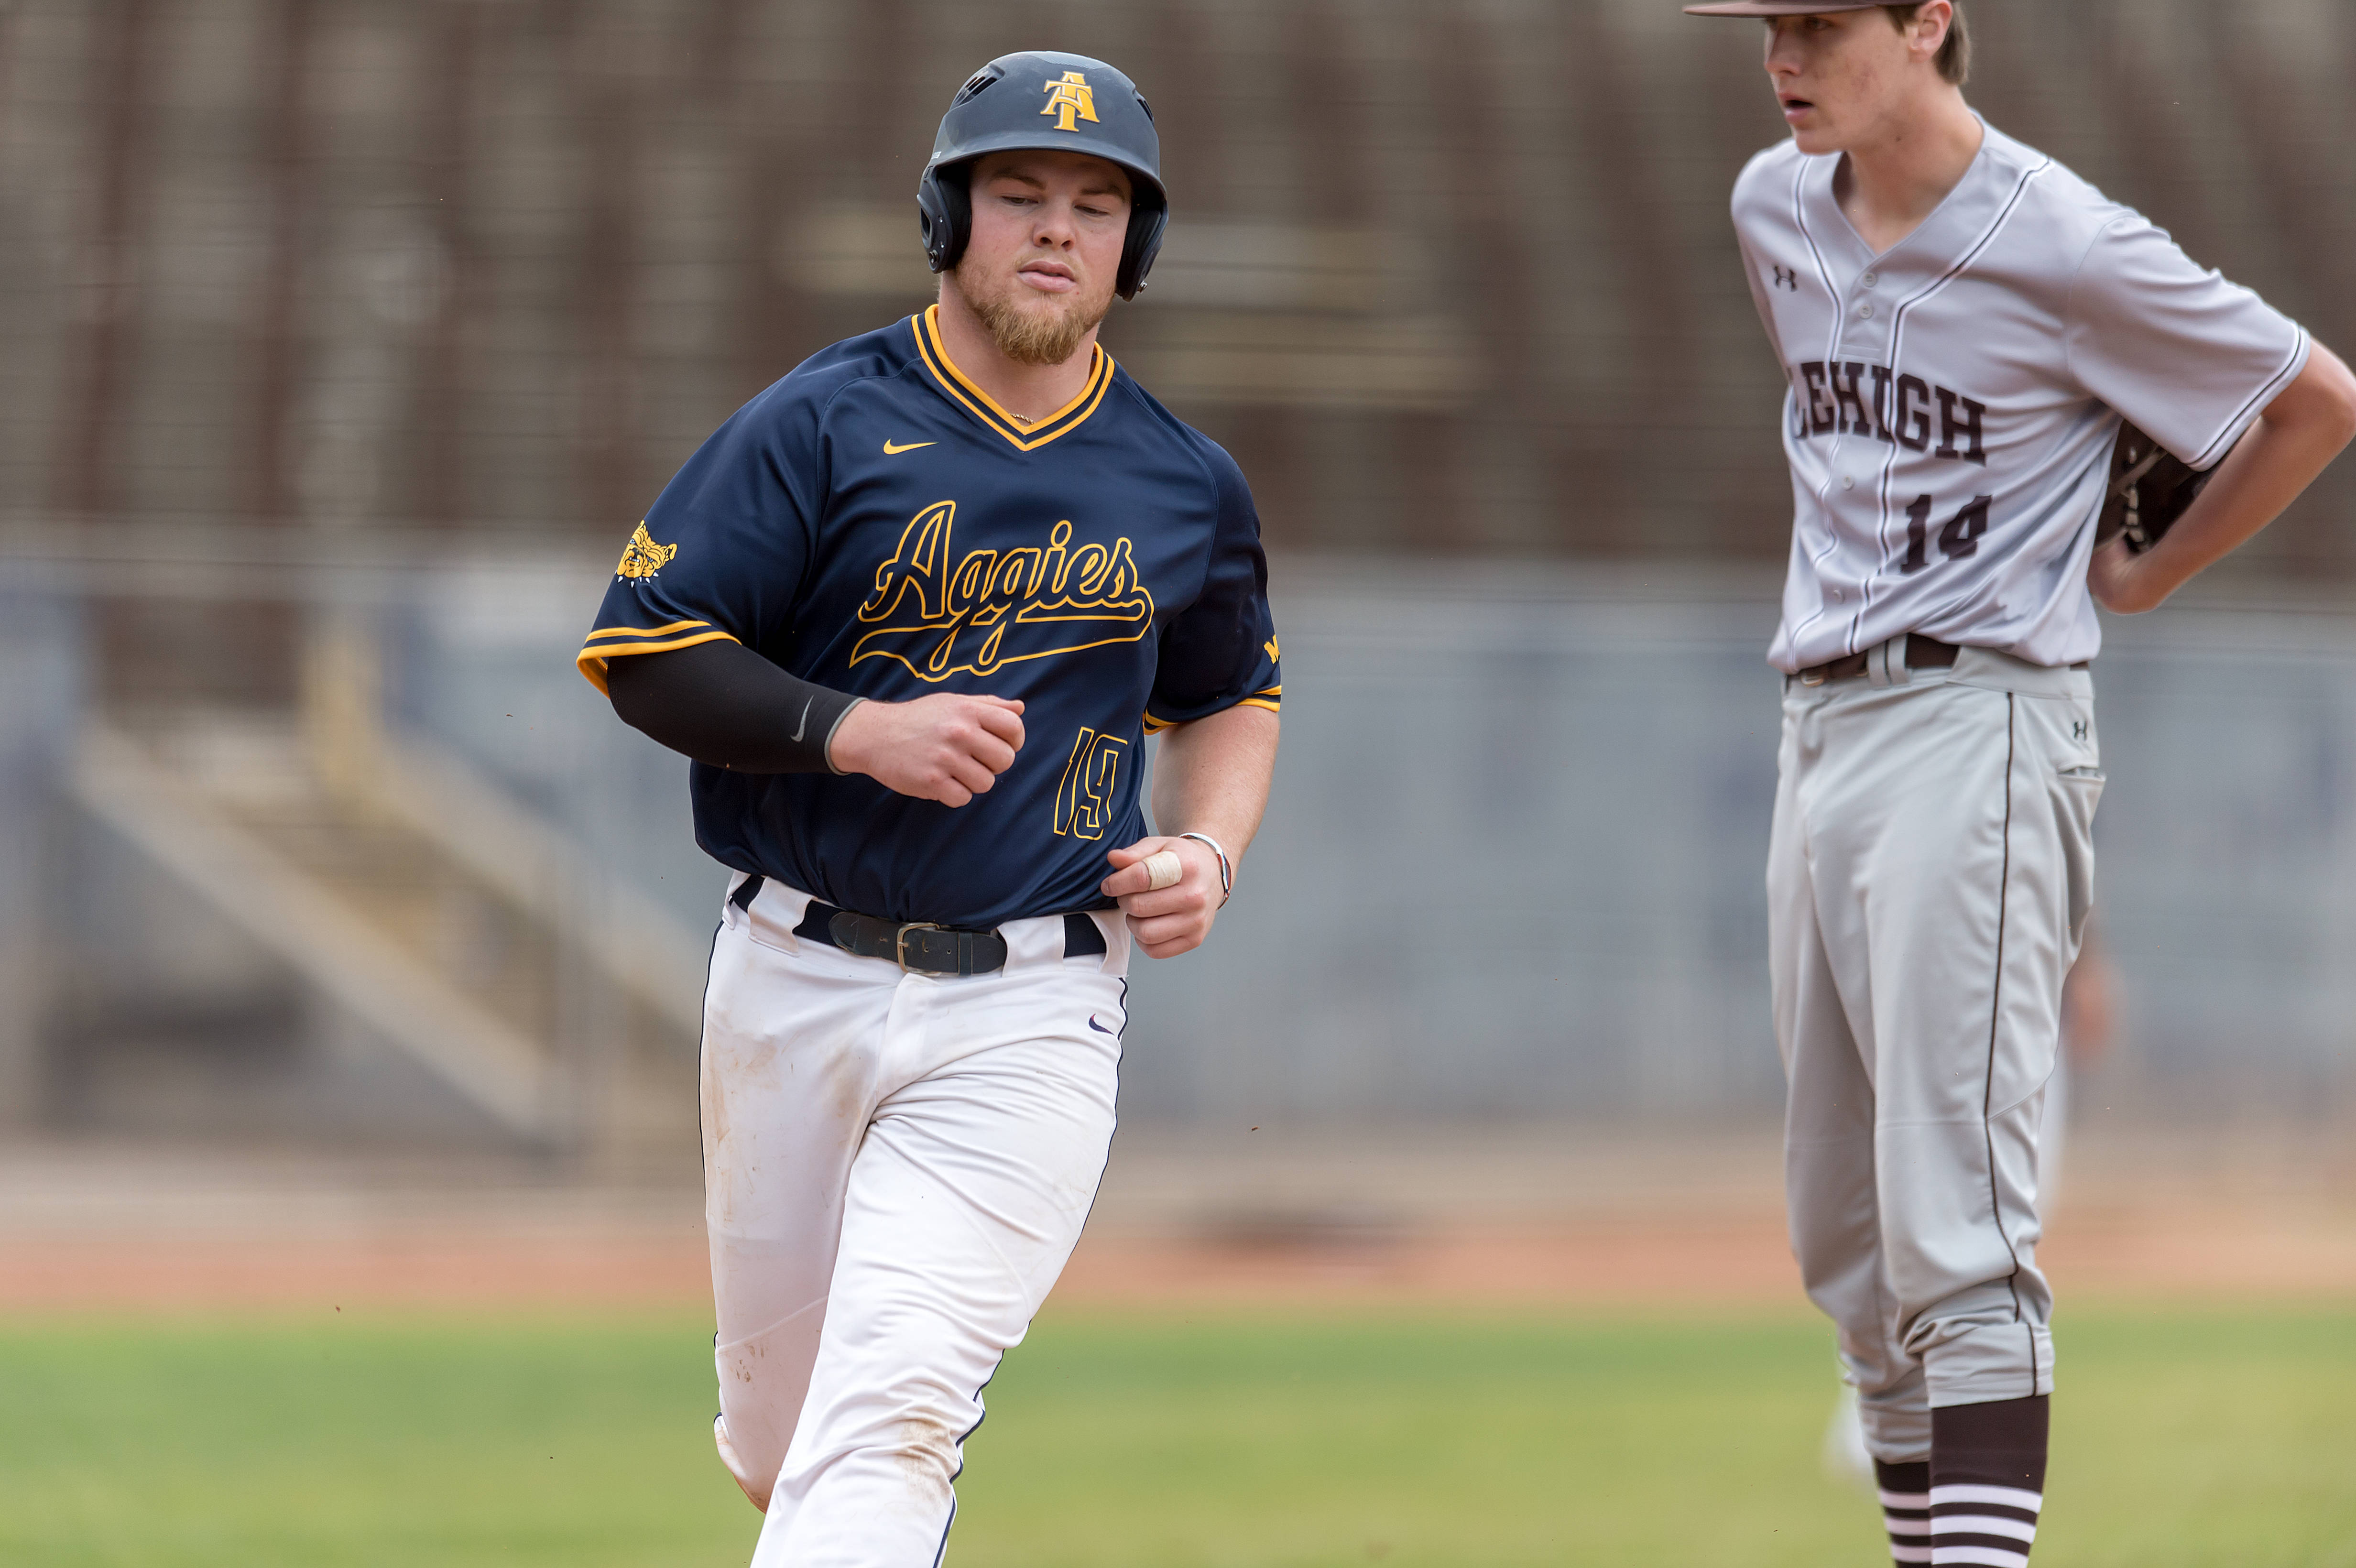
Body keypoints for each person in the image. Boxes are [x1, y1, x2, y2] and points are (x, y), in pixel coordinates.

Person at [577, 50, 1281, 1566]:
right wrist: (852, 734)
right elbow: (646, 651)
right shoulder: (823, 422)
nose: (1056, 229)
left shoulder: (1183, 480)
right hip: (789, 980)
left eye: (1098, 206)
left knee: (890, 1411)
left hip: (1031, 1010)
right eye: (1018, 192)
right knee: (786, 1450)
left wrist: (1208, 846)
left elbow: (1230, 691)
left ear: (1134, 249)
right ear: (948, 219)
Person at [1679, 2, 2356, 1563]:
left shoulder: (2063, 239)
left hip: (1977, 715)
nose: (1781, 52)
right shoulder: (1771, 204)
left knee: (1958, 1237)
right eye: (1767, 22)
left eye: (1822, 21)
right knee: (1847, 1253)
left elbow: (2314, 399)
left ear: (1928, 24)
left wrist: (2151, 571)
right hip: (1820, 729)